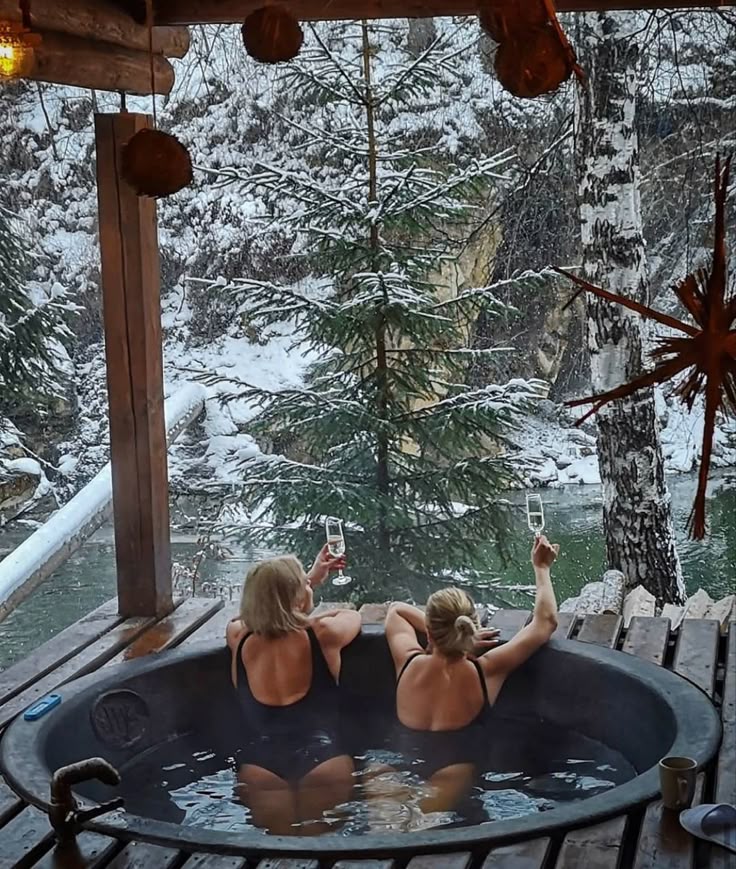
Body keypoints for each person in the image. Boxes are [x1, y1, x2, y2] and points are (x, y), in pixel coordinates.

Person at [383, 534, 559, 819]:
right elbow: (545, 622)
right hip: (453, 774)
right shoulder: (486, 670)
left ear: (428, 631)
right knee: (423, 828)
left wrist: (444, 634)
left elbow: (395, 612)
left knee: (390, 831)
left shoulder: (407, 660)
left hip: (398, 770)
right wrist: (541, 568)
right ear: (470, 628)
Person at [226, 546, 361, 835]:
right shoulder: (324, 633)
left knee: (279, 849)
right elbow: (353, 615)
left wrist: (306, 582)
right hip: (323, 758)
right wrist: (307, 608)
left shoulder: (238, 635)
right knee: (318, 843)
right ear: (298, 598)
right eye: (304, 583)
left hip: (260, 765)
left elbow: (265, 609)